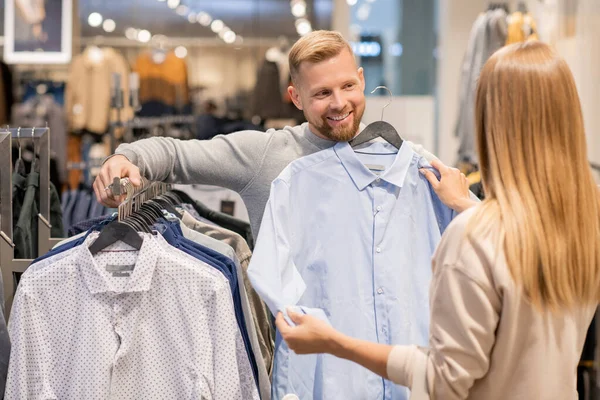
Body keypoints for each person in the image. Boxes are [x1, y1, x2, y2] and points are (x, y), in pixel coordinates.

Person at [274, 41, 600, 399]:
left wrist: (336, 343)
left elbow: (443, 381)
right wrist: (469, 207)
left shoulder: (472, 237)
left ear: (494, 123)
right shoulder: (584, 224)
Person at [94, 30, 476, 236]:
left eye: (347, 86)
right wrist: (123, 158)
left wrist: (467, 205)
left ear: (362, 81)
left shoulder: (410, 163)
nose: (339, 103)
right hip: (293, 361)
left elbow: (488, 233)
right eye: (322, 93)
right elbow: (175, 155)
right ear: (295, 97)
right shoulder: (265, 155)